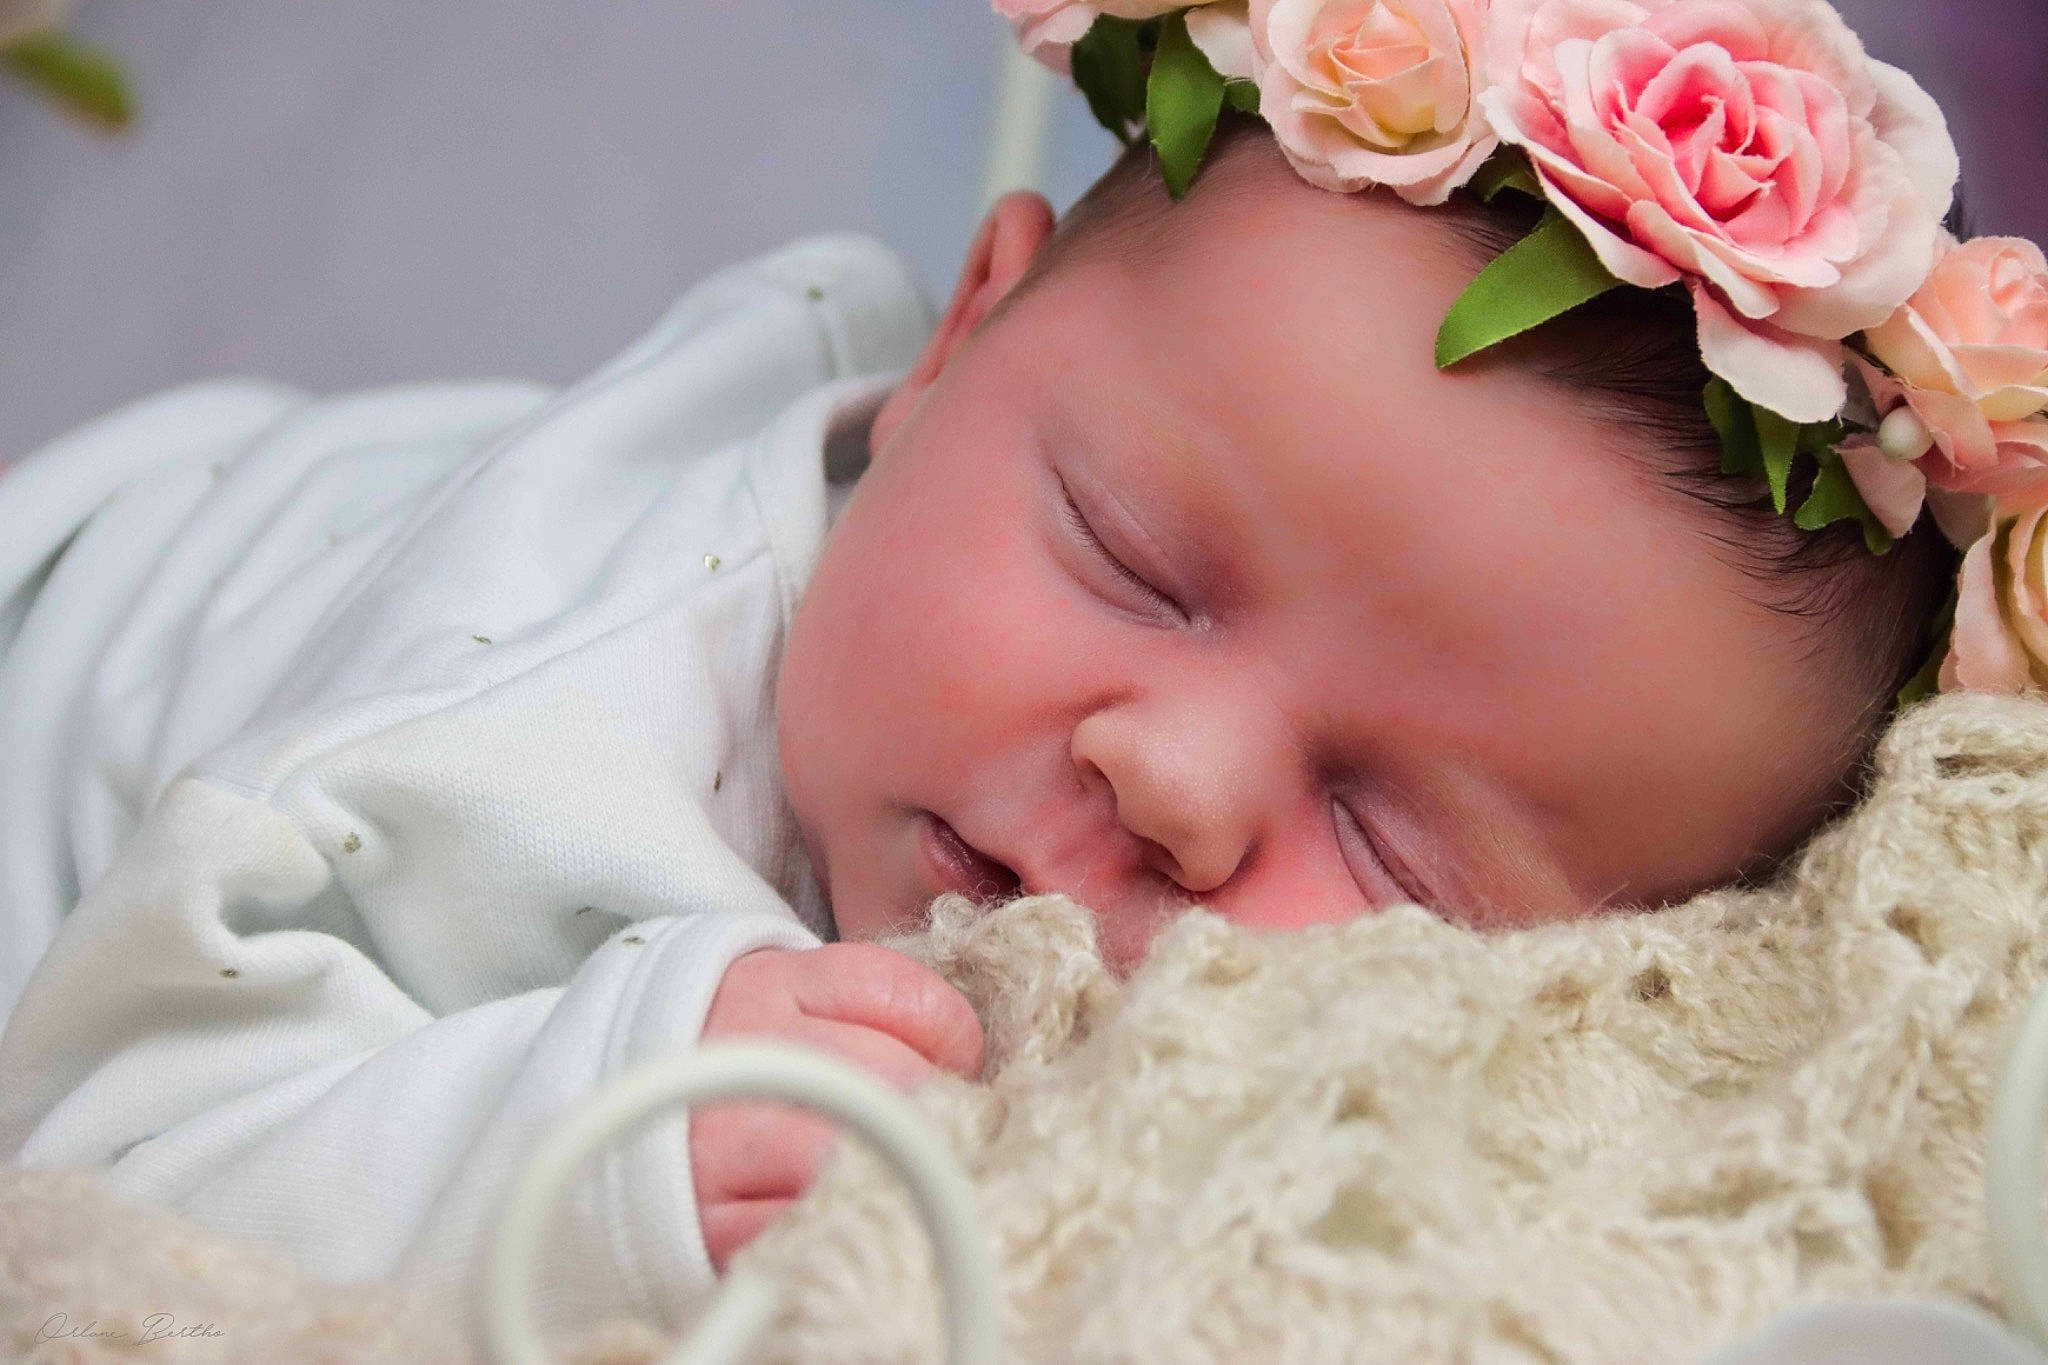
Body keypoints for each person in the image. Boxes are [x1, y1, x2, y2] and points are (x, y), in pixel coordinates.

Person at [2, 0, 2038, 1344]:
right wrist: (590, 1116)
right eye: (1137, 568)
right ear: (956, 347)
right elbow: (98, 1145)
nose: (1175, 780)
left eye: (1394, 842)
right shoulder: (514, 732)